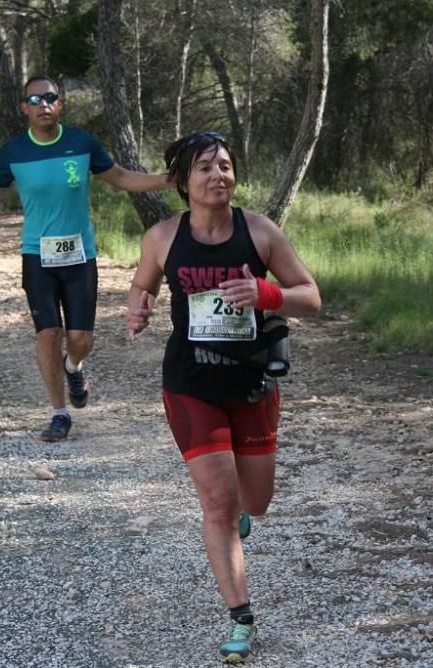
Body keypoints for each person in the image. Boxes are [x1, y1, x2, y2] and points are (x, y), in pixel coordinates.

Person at [125, 131, 321, 663]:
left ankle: (242, 513)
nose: (219, 176)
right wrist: (137, 307)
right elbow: (142, 285)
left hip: (252, 381)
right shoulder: (163, 238)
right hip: (191, 383)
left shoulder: (259, 233)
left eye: (227, 167)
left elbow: (311, 296)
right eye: (206, 168)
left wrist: (266, 293)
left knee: (254, 502)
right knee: (218, 501)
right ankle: (241, 618)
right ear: (183, 182)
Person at [0, 75, 170, 442]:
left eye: (50, 98)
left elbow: (119, 177)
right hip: (37, 255)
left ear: (60, 104)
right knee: (48, 333)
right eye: (34, 99)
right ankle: (58, 412)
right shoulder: (14, 152)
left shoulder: (81, 143)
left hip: (79, 255)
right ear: (24, 108)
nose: (43, 104)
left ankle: (74, 367)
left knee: (81, 338)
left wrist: (168, 179)